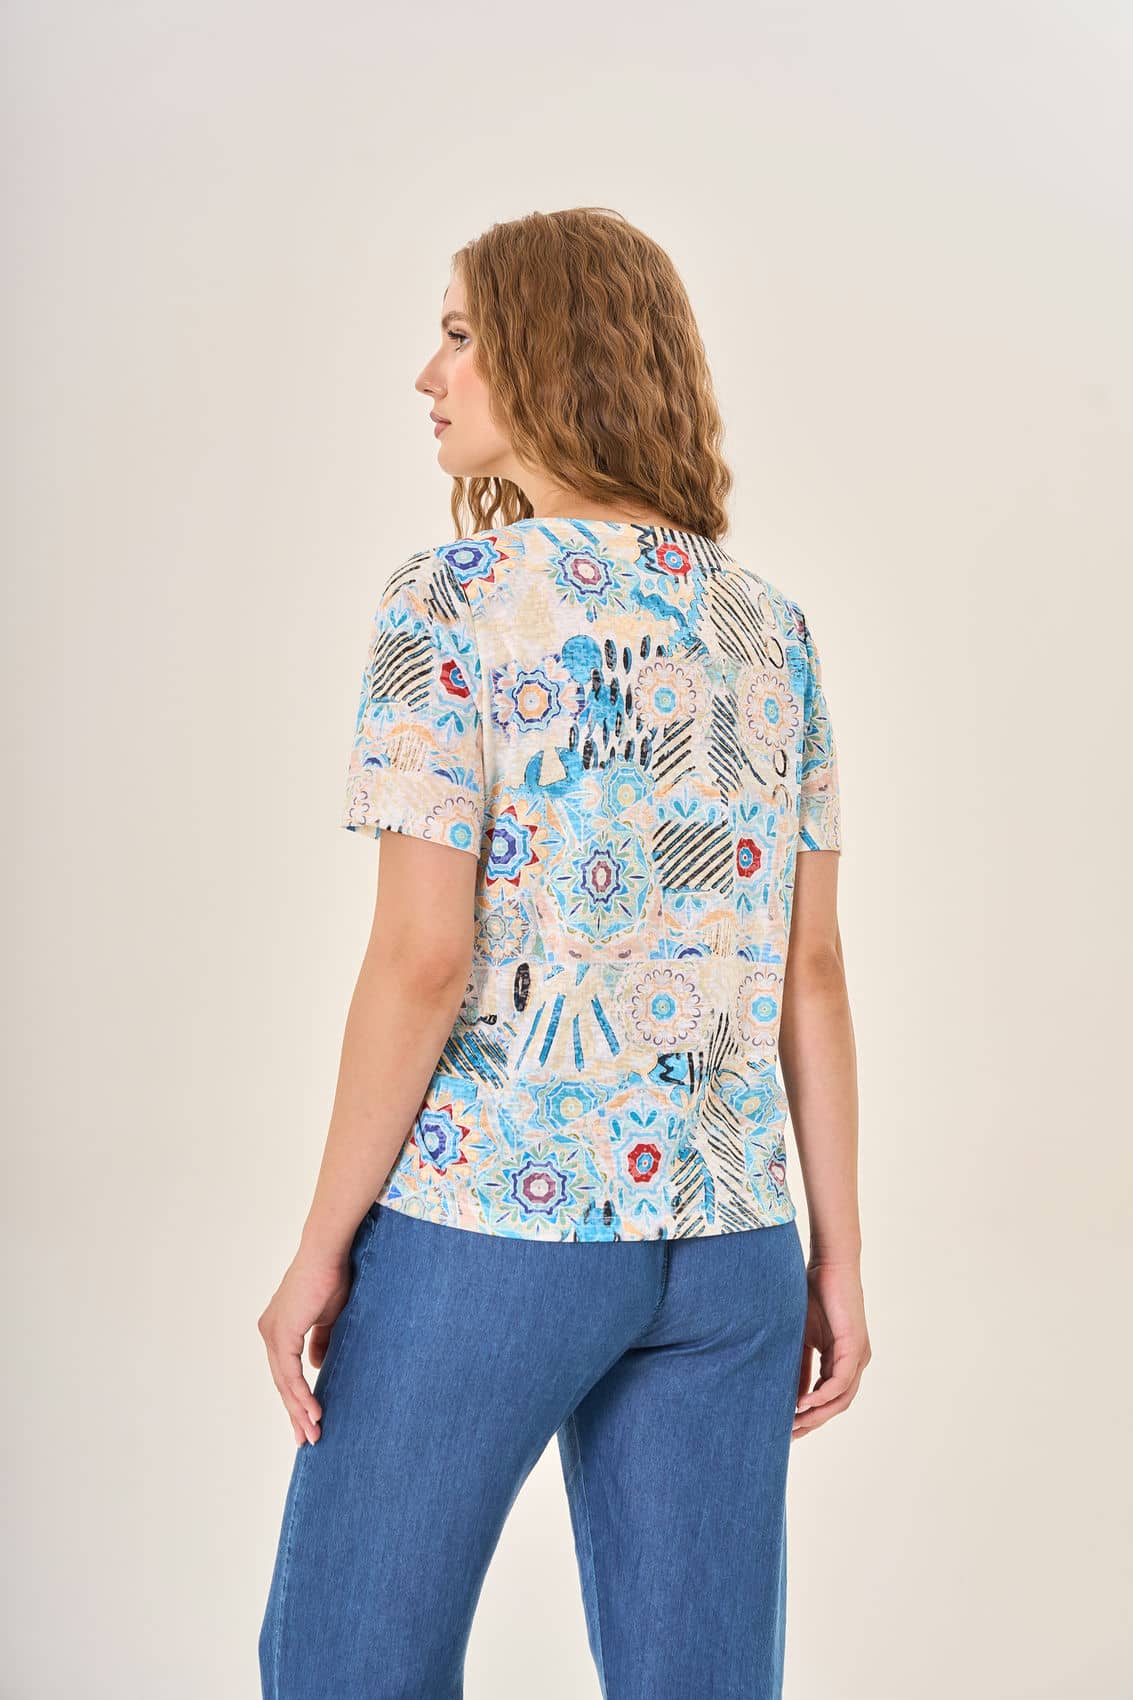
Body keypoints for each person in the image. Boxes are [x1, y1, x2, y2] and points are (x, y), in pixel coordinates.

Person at [256, 206, 869, 1700]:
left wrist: (320, 1249)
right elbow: (813, 971)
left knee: (342, 1663)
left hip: (499, 1221)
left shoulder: (449, 604)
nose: (429, 374)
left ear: (545, 353)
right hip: (732, 1244)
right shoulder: (767, 625)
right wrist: (836, 1260)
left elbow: (422, 958)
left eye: (460, 334)